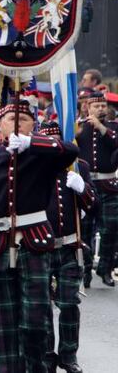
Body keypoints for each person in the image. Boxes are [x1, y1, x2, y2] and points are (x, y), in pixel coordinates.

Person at [0, 99, 79, 373]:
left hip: (33, 242)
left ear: (33, 125)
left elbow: (70, 150)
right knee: (2, 327)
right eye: (10, 119)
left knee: (35, 322)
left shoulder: (42, 155)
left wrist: (32, 143)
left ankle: (37, 366)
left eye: (23, 119)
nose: (16, 123)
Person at [40, 121, 95, 373]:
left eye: (58, 144)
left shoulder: (79, 167)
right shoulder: (32, 169)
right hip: (39, 247)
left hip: (70, 246)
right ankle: (46, 355)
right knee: (41, 306)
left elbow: (94, 206)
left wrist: (82, 189)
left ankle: (69, 355)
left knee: (69, 303)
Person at [74, 92, 118, 287]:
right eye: (96, 106)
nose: (100, 108)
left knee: (110, 228)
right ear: (88, 107)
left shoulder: (113, 127)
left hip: (109, 185)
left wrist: (101, 127)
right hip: (86, 185)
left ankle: (105, 268)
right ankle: (86, 268)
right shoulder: (79, 127)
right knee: (84, 230)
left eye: (103, 105)